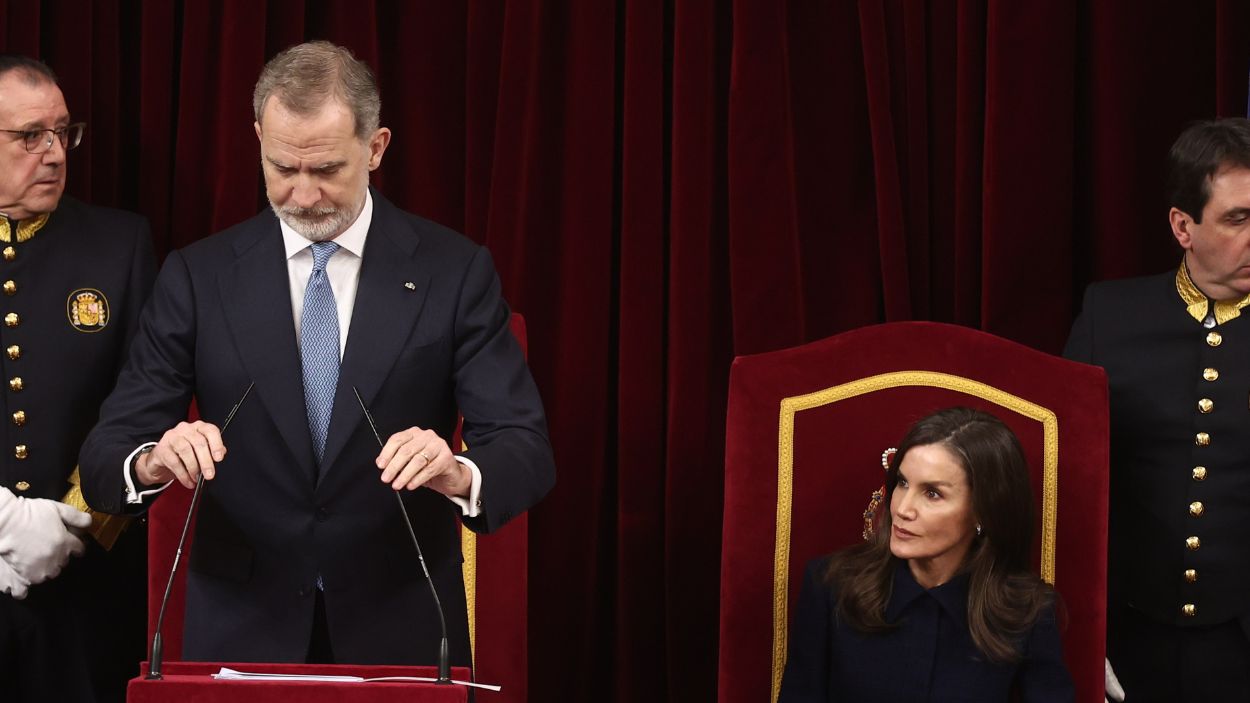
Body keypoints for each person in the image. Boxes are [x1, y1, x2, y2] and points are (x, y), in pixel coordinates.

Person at [79, 41, 554, 666]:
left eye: (327, 169)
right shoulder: (198, 276)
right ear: (256, 139)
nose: (303, 195)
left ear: (377, 147)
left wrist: (457, 472)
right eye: (282, 168)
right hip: (240, 631)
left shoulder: (454, 272)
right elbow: (105, 456)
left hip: (400, 628)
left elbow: (524, 450)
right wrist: (152, 462)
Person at [1064, 117, 1250, 702]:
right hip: (1129, 637)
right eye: (1238, 219)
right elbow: (1062, 475)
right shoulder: (1110, 316)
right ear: (1182, 226)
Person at [0, 55, 157, 702]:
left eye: (64, 132)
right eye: (29, 136)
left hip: (83, 591)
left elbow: (148, 398)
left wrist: (78, 519)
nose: (56, 153)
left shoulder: (119, 245)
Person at [777, 407, 1073, 702]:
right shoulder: (830, 586)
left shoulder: (1026, 611)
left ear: (984, 511)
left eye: (932, 493)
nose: (903, 509)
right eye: (902, 483)